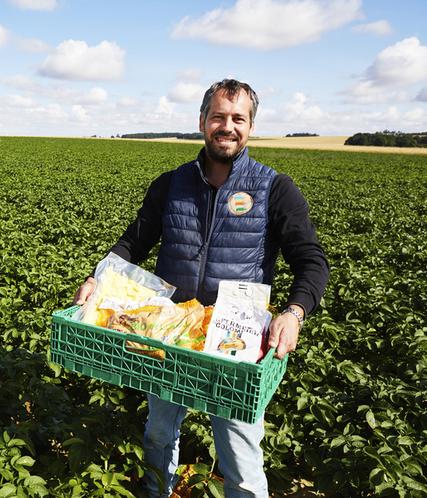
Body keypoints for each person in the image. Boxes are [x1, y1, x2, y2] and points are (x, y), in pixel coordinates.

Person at [73, 79, 329, 498]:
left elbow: (312, 262)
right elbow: (132, 243)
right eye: (218, 117)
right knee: (158, 436)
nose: (227, 126)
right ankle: (157, 490)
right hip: (170, 333)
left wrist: (294, 312)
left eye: (238, 119)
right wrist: (96, 278)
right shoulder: (171, 184)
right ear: (202, 122)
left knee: (241, 460)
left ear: (250, 126)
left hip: (236, 342)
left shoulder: (273, 188)